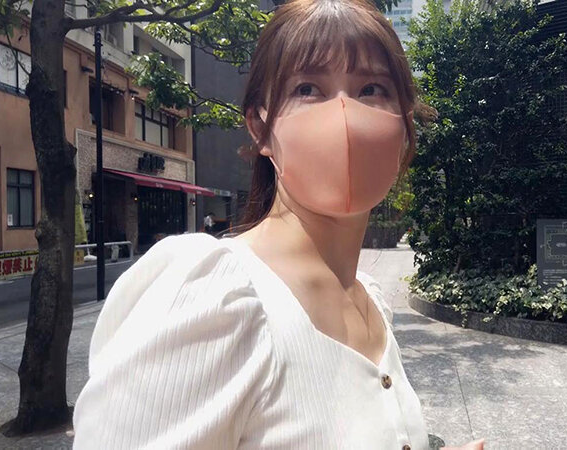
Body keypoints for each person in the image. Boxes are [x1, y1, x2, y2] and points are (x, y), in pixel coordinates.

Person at [72, 0, 484, 449]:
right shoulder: (212, 294)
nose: (344, 114)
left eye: (372, 89)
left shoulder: (371, 301)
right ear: (260, 127)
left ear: (404, 123)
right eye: (308, 88)